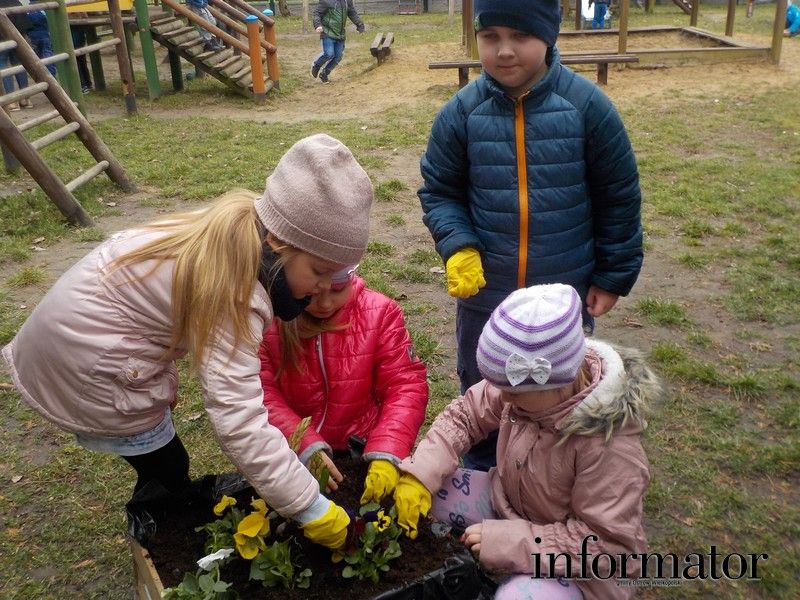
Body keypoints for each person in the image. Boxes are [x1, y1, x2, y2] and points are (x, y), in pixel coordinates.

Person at [2, 133, 374, 551]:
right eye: (320, 271)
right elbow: (239, 418)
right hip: (83, 358)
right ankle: (162, 531)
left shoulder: (235, 230)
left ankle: (167, 510)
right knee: (167, 464)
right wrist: (308, 506)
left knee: (164, 452)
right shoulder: (235, 291)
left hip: (75, 328)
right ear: (279, 242)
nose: (324, 287)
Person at [418, 0, 642, 471]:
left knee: (560, 392)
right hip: (487, 294)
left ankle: (552, 474)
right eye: (490, 35)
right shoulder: (460, 114)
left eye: (519, 36)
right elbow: (440, 191)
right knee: (483, 385)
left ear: (548, 35)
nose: (503, 51)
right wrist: (457, 244)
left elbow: (618, 196)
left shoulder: (589, 109)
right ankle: (483, 469)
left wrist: (613, 274)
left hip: (563, 294)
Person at [393, 284, 660, 599]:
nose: (502, 397)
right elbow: (465, 415)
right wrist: (420, 474)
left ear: (557, 382)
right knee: (432, 491)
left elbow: (607, 545)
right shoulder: (522, 390)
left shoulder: (609, 446)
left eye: (512, 392)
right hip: (512, 508)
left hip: (584, 573)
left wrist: (511, 542)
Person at [259, 266, 428, 503]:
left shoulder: (380, 313)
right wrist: (303, 445)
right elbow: (261, 393)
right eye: (314, 294)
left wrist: (387, 449)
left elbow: (405, 385)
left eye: (338, 289)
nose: (326, 304)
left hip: (362, 451)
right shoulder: (269, 321)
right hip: (291, 452)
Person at [311, 0, 365, 84]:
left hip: (340, 34)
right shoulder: (326, 1)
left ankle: (324, 73)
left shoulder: (347, 1)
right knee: (329, 54)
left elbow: (352, 13)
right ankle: (316, 65)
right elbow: (317, 13)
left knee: (338, 56)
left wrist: (359, 24)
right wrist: (318, 25)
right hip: (327, 32)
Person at [0, 0, 31, 111]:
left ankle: (12, 101)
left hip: (2, 34)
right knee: (18, 63)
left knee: (1, 62)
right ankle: (25, 98)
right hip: (19, 31)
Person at [27, 9, 57, 77]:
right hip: (45, 35)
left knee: (37, 56)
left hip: (33, 36)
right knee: (47, 54)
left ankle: (40, 73)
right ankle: (51, 73)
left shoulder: (27, 11)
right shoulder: (44, 10)